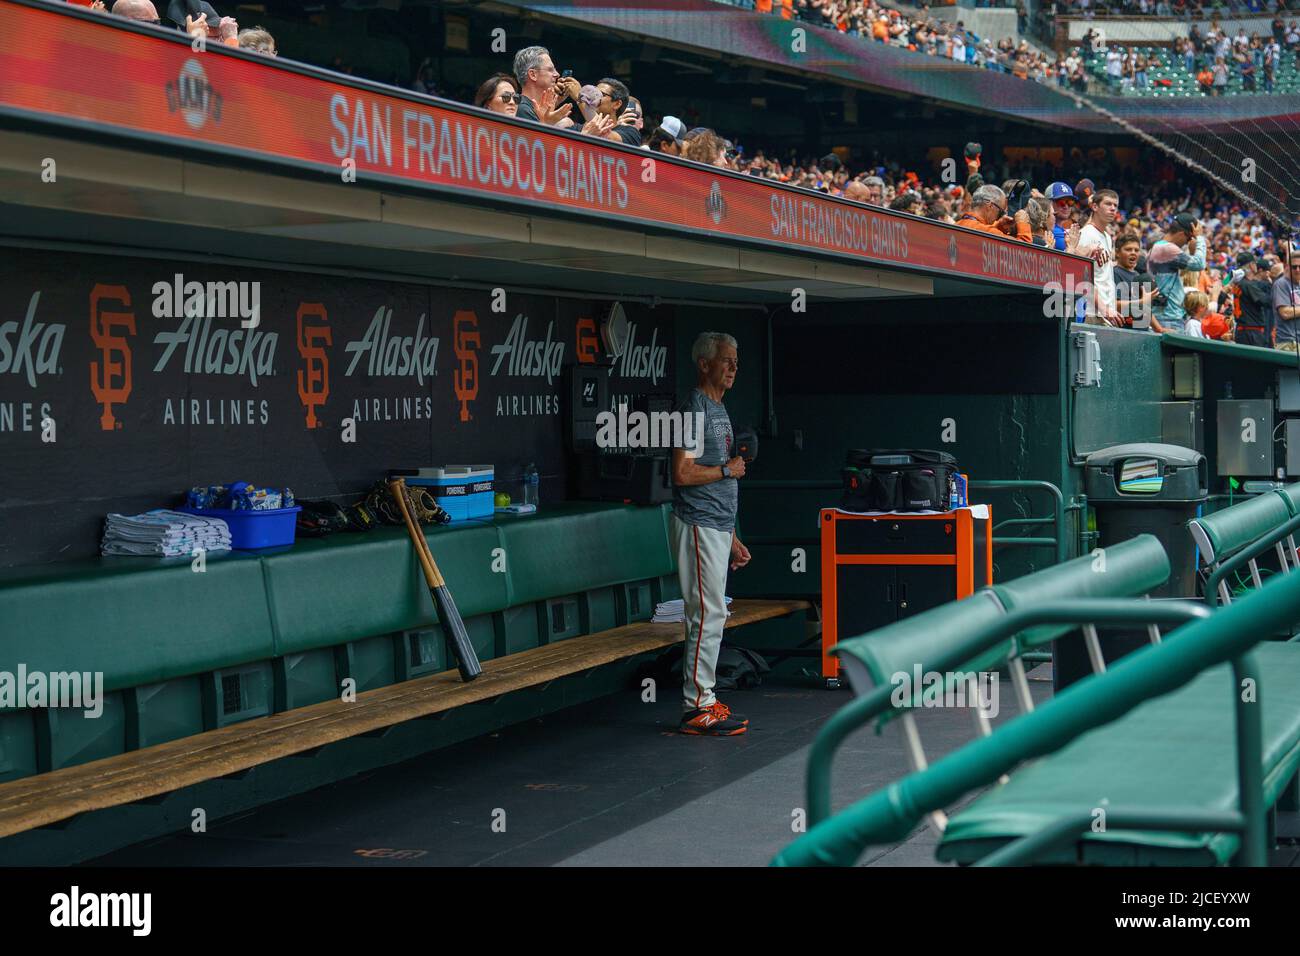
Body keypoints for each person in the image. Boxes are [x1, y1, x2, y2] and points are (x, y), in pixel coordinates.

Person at [670, 332, 750, 736]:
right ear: (704, 364)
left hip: (717, 525)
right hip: (698, 522)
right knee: (707, 614)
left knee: (713, 613)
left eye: (736, 361)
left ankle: (705, 697)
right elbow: (681, 474)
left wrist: (732, 535)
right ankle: (695, 706)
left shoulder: (719, 407)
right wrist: (726, 470)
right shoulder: (693, 408)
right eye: (726, 360)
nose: (733, 367)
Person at [1148, 212, 1208, 333]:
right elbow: (1199, 264)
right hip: (1168, 318)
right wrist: (1200, 238)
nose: (1188, 242)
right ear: (1181, 233)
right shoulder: (1166, 248)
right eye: (1189, 238)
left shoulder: (1159, 246)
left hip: (1165, 315)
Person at [1076, 189, 1121, 325]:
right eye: (1108, 204)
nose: (1113, 208)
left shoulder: (1107, 236)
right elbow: (1082, 278)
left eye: (1115, 205)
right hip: (1091, 312)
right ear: (1095, 206)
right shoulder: (1085, 235)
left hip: (1106, 312)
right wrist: (1103, 308)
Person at [1113, 232, 1162, 330]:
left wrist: (1158, 328)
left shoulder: (1138, 275)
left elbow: (1145, 308)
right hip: (1125, 330)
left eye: (1136, 250)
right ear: (1117, 252)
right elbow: (1114, 305)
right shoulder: (1115, 273)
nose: (1133, 252)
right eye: (1128, 249)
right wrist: (1141, 301)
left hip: (1142, 328)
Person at [511, 46, 570, 125]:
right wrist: (581, 99)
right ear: (533, 75)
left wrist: (554, 103)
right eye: (550, 69)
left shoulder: (528, 108)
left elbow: (586, 129)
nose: (557, 74)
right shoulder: (522, 109)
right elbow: (539, 137)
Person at [955, 184, 1033, 241]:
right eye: (1001, 212)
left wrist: (999, 226)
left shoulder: (956, 225)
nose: (1000, 217)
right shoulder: (987, 232)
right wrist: (1023, 223)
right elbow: (1023, 251)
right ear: (990, 206)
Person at [1231, 253, 1275, 347]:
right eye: (1254, 263)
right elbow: (1267, 302)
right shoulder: (1248, 285)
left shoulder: (1239, 283)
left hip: (1242, 331)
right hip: (1251, 333)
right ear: (1251, 265)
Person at [1274, 249, 1300, 352]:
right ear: (1288, 267)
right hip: (1288, 342)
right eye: (1294, 267)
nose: (1297, 270)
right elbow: (1284, 313)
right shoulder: (1281, 284)